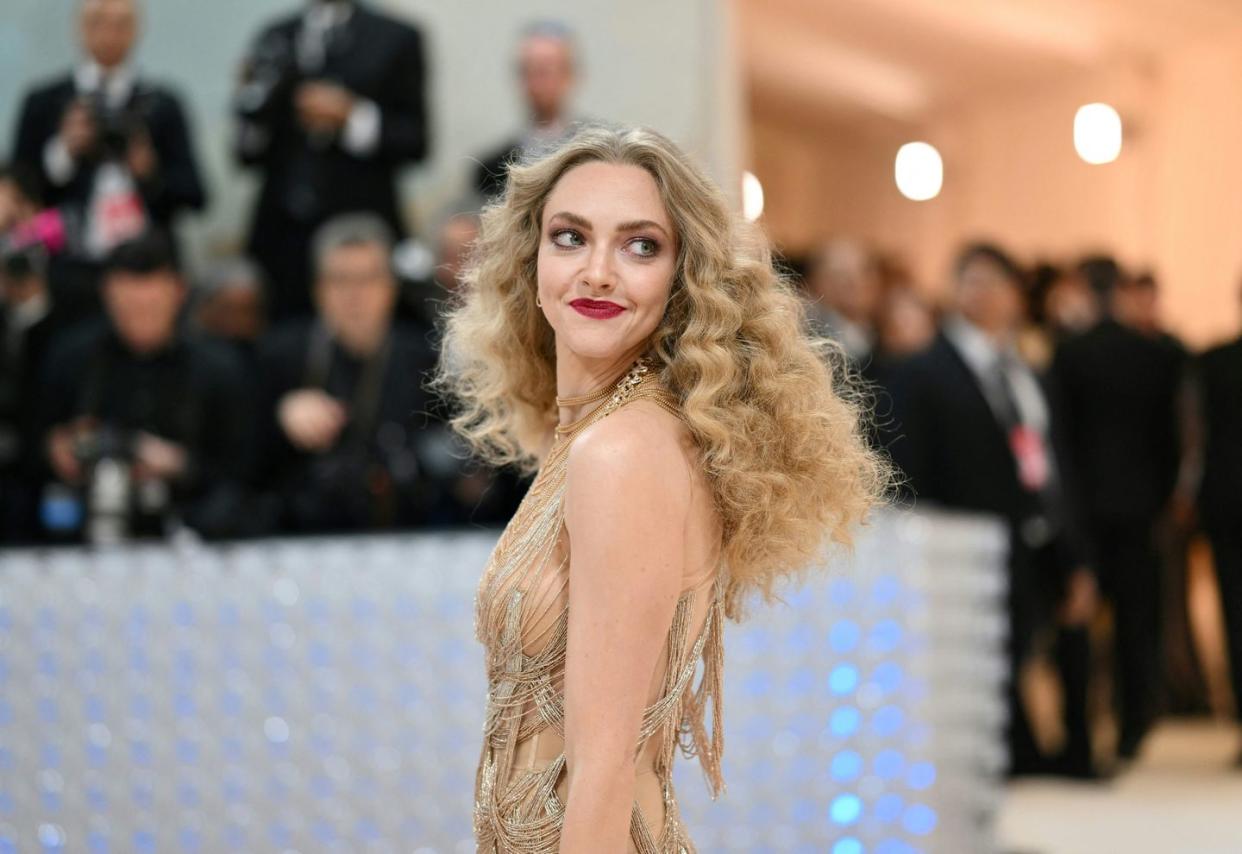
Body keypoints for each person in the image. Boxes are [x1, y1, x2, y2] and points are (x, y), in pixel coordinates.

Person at [433, 125, 889, 851]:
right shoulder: (607, 434)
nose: (599, 272)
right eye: (570, 237)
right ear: (530, 259)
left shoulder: (622, 452)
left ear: (684, 279)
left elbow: (604, 763)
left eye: (640, 245)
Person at [887, 243, 1097, 778]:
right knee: (985, 656)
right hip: (965, 542)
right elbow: (909, 471)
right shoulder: (922, 372)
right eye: (971, 281)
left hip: (1038, 531)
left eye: (995, 283)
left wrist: (1075, 547)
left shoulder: (1027, 371)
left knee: (1051, 639)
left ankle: (1067, 752)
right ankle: (1001, 760)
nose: (983, 294)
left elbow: (1052, 463)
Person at [1051, 255, 1186, 762]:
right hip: (1138, 508)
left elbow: (1059, 438)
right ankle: (1132, 726)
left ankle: (1080, 731)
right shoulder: (1151, 355)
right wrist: (1162, 496)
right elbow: (1170, 438)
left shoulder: (1068, 354)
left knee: (1079, 622)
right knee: (1136, 622)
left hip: (1083, 506)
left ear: (1085, 288)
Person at [36, 230, 251, 542]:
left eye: (150, 307)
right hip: (86, 519)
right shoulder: (71, 359)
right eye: (127, 308)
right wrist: (56, 449)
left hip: (193, 523)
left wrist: (180, 465)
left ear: (178, 291)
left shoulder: (219, 367)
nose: (139, 318)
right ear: (107, 294)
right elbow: (36, 441)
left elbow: (245, 470)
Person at [233, 0, 430, 322]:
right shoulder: (275, 36)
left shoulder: (395, 37)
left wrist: (352, 117)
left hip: (361, 225)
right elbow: (247, 154)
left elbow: (416, 142)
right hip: (282, 239)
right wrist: (252, 107)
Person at [254, 213, 437, 533]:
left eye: (367, 278)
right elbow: (246, 460)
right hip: (303, 531)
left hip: (406, 528)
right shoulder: (280, 355)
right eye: (340, 279)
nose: (355, 294)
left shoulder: (425, 357)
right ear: (319, 289)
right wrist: (281, 413)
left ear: (390, 287)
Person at [10, 0, 207, 251]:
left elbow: (195, 196)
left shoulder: (162, 105)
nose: (110, 34)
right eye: (98, 22)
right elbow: (18, 192)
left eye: (121, 24)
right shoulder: (44, 103)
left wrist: (149, 173)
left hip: (145, 260)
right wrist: (64, 151)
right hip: (67, 256)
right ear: (78, 27)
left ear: (137, 29)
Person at [1195, 277, 1242, 766]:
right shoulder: (1213, 361)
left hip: (1226, 501)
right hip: (1228, 504)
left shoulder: (1214, 361)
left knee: (1235, 616)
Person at [473, 20, 580, 202]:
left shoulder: (598, 155)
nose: (536, 83)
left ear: (569, 75)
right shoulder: (491, 167)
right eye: (527, 70)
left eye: (545, 70)